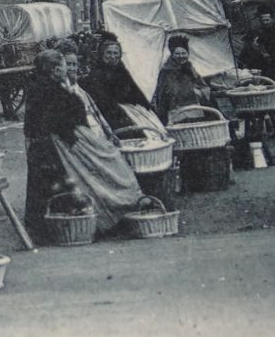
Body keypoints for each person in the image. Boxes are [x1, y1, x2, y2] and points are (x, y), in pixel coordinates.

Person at [22, 50, 144, 239]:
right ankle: (100, 218)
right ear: (55, 70)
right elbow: (65, 120)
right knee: (93, 172)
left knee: (55, 188)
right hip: (60, 144)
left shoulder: (38, 89)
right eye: (64, 65)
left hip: (47, 145)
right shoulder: (54, 92)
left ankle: (51, 227)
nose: (67, 69)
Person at [79, 32, 161, 133]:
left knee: (154, 128)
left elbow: (135, 91)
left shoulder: (121, 70)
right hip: (111, 115)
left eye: (115, 53)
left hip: (130, 110)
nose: (112, 56)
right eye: (109, 53)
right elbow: (104, 102)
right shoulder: (96, 74)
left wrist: (148, 107)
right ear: (102, 53)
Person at [152, 34, 211, 122]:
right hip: (176, 111)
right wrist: (191, 91)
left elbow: (202, 85)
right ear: (172, 55)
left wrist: (201, 91)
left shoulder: (190, 69)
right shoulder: (167, 71)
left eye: (184, 53)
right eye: (177, 53)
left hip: (195, 109)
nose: (181, 56)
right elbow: (166, 93)